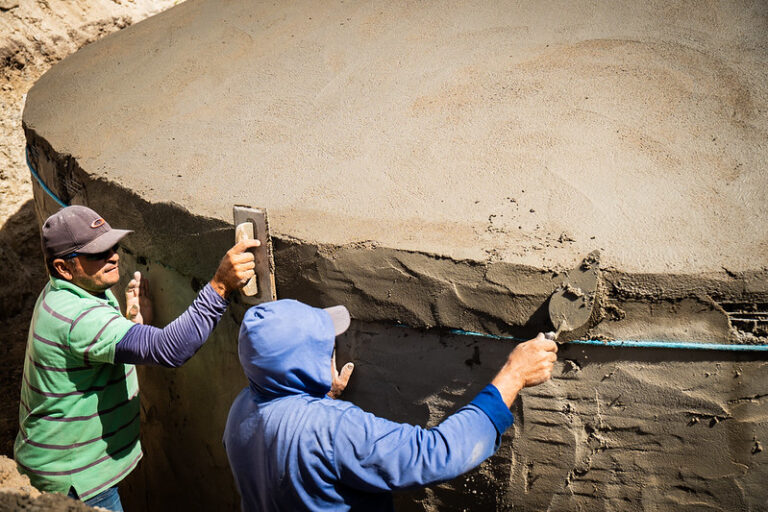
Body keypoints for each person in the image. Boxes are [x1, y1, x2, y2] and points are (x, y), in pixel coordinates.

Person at [14, 205, 260, 511]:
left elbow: (95, 351)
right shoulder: (75, 316)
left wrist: (132, 327)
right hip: (74, 479)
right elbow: (171, 349)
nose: (113, 256)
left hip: (71, 463)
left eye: (112, 246)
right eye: (98, 253)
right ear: (64, 267)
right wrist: (220, 285)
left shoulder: (74, 290)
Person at [224, 299, 558, 512]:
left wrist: (321, 397)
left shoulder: (240, 410)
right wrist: (513, 376)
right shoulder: (334, 430)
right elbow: (435, 455)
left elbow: (291, 450)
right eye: (325, 345)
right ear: (305, 360)